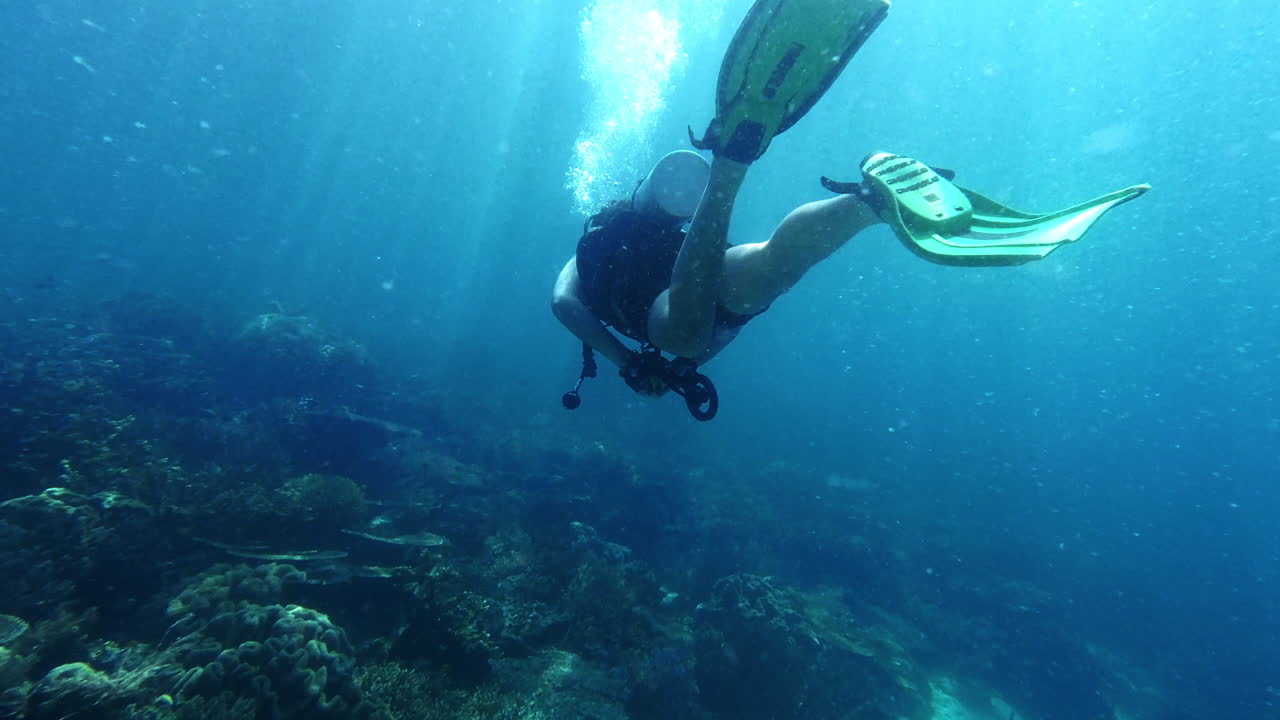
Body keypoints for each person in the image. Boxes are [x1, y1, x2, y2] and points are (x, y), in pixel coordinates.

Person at [552, 0, 1148, 418]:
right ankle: (868, 203)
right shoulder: (622, 238)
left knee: (689, 329)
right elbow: (718, 329)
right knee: (771, 267)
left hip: (665, 296)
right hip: (694, 261)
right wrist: (683, 363)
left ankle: (731, 166)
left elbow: (564, 304)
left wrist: (630, 363)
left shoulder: (587, 258)